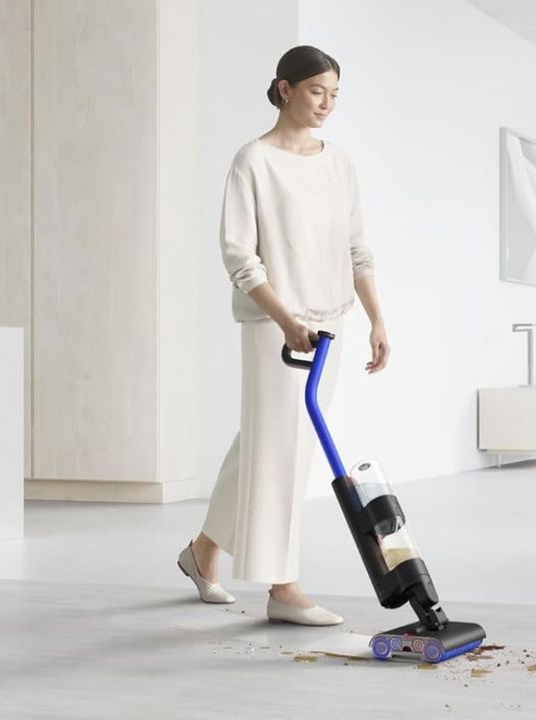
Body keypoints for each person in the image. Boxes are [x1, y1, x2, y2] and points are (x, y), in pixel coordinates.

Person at [176, 45, 390, 626]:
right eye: (317, 91)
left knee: (265, 442)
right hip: (276, 326)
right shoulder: (253, 161)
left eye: (335, 95)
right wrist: (284, 318)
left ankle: (202, 554)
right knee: (281, 450)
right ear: (285, 88)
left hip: (331, 320)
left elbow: (356, 247)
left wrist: (375, 317)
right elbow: (239, 257)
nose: (326, 104)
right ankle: (283, 587)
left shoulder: (339, 163)